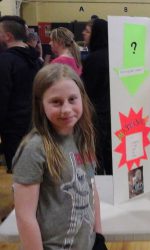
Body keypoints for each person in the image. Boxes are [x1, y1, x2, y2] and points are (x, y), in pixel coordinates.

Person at [12, 64, 107, 250]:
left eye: (72, 99)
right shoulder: (34, 149)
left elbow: (90, 187)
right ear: (41, 105)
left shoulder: (83, 136)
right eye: (56, 102)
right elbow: (25, 216)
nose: (66, 109)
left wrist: (99, 234)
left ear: (82, 98)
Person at [0, 15, 42, 173]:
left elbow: (2, 97)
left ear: (8, 36)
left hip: (13, 127)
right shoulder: (36, 60)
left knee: (18, 173)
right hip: (35, 123)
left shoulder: (5, 61)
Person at [81, 18, 112, 175]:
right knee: (111, 153)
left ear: (97, 34)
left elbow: (88, 90)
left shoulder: (94, 59)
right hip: (113, 112)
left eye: (87, 31)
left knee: (98, 152)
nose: (83, 34)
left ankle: (100, 186)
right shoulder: (114, 55)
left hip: (97, 113)